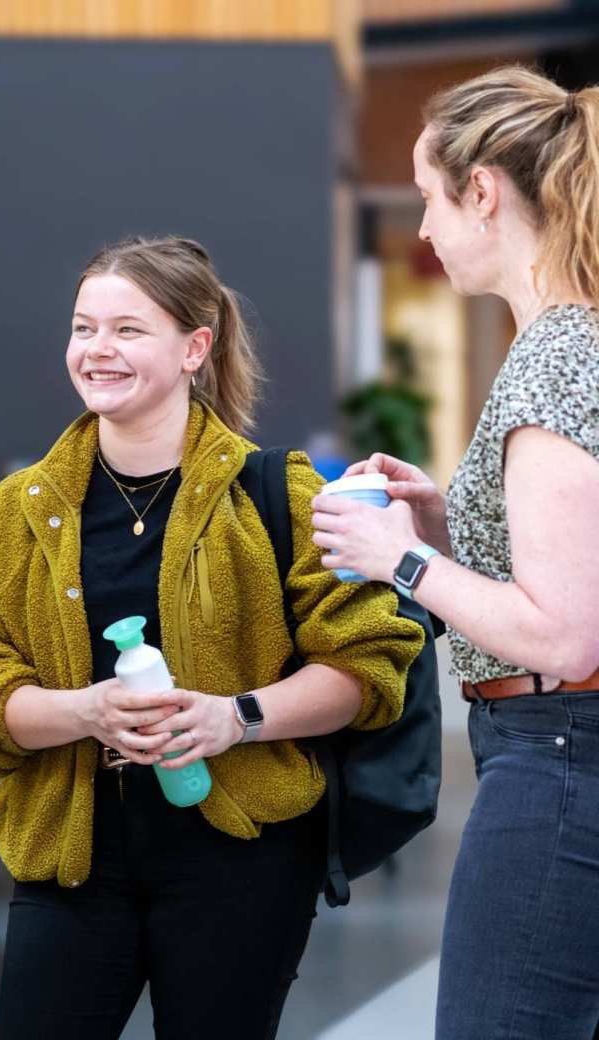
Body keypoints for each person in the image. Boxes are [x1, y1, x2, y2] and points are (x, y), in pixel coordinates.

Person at [0, 235, 423, 1040]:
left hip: (243, 858)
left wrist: (237, 717)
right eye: (84, 327)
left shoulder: (279, 494)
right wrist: (85, 711)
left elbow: (366, 669)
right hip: (71, 853)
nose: (97, 350)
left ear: (196, 346)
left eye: (127, 329)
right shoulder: (11, 514)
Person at [310, 67, 599, 1040]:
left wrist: (400, 556)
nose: (424, 229)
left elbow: (560, 637)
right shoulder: (570, 344)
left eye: (432, 197)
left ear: (483, 191)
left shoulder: (554, 357)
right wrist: (449, 531)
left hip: (557, 754)